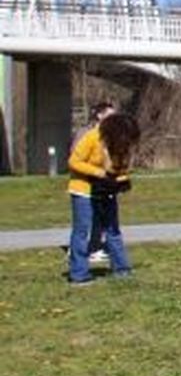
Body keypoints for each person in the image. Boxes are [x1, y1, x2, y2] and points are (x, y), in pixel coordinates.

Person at [66, 113, 140, 285]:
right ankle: (79, 274)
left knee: (113, 230)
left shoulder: (119, 146)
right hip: (84, 189)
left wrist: (122, 180)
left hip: (106, 191)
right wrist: (99, 174)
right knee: (82, 232)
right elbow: (74, 162)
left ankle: (122, 269)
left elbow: (119, 168)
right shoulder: (92, 137)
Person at [81, 101, 118, 267]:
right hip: (89, 183)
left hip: (106, 183)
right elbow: (76, 160)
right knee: (89, 220)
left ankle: (100, 248)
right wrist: (97, 172)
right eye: (110, 115)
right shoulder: (88, 134)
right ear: (99, 115)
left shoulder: (109, 135)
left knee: (105, 220)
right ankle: (90, 250)